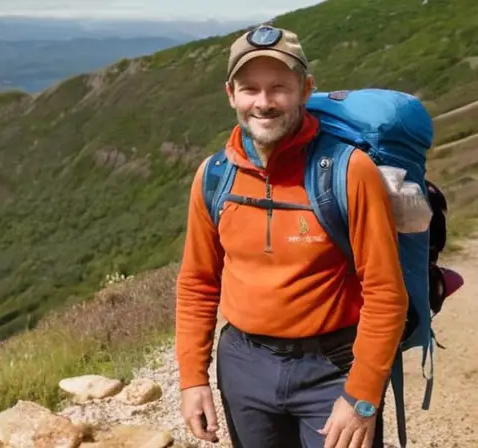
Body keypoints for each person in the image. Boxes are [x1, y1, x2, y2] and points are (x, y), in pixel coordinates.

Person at [175, 25, 410, 448]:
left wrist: (362, 396)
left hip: (332, 367)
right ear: (231, 94)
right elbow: (197, 284)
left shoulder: (348, 172)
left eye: (279, 88)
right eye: (250, 89)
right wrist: (192, 379)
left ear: (305, 89)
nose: (263, 103)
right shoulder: (213, 177)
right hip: (243, 366)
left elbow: (385, 293)